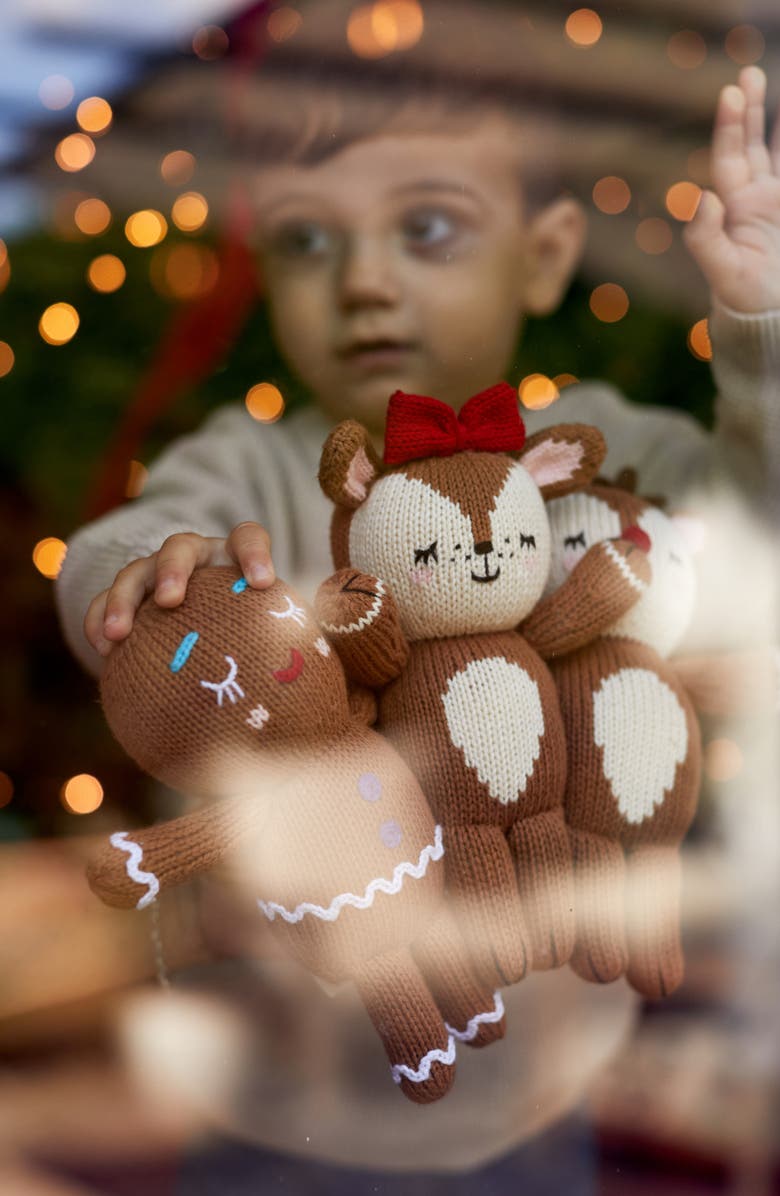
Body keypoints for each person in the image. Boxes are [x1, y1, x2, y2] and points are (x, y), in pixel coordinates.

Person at [49, 57, 779, 1191]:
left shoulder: (595, 452)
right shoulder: (249, 466)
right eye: (306, 239)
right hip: (275, 1093)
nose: (364, 282)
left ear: (542, 256)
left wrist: (759, 322)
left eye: (428, 227)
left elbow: (757, 517)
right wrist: (143, 575)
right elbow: (123, 546)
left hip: (538, 1088)